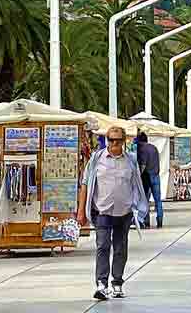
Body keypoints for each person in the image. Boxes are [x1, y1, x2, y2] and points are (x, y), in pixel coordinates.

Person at [81, 127, 148, 300]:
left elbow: (137, 185)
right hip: (102, 211)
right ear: (107, 140)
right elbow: (85, 184)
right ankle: (101, 284)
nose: (114, 143)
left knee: (120, 249)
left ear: (124, 141)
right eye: (111, 140)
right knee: (103, 246)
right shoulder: (97, 159)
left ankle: (117, 282)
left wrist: (137, 206)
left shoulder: (131, 160)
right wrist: (81, 210)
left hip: (123, 213)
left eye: (118, 140)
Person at [134, 133, 164, 228]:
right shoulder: (154, 147)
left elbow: (143, 164)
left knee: (145, 200)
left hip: (146, 177)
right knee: (158, 200)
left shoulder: (141, 148)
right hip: (156, 175)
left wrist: (138, 176)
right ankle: (159, 219)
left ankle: (146, 221)